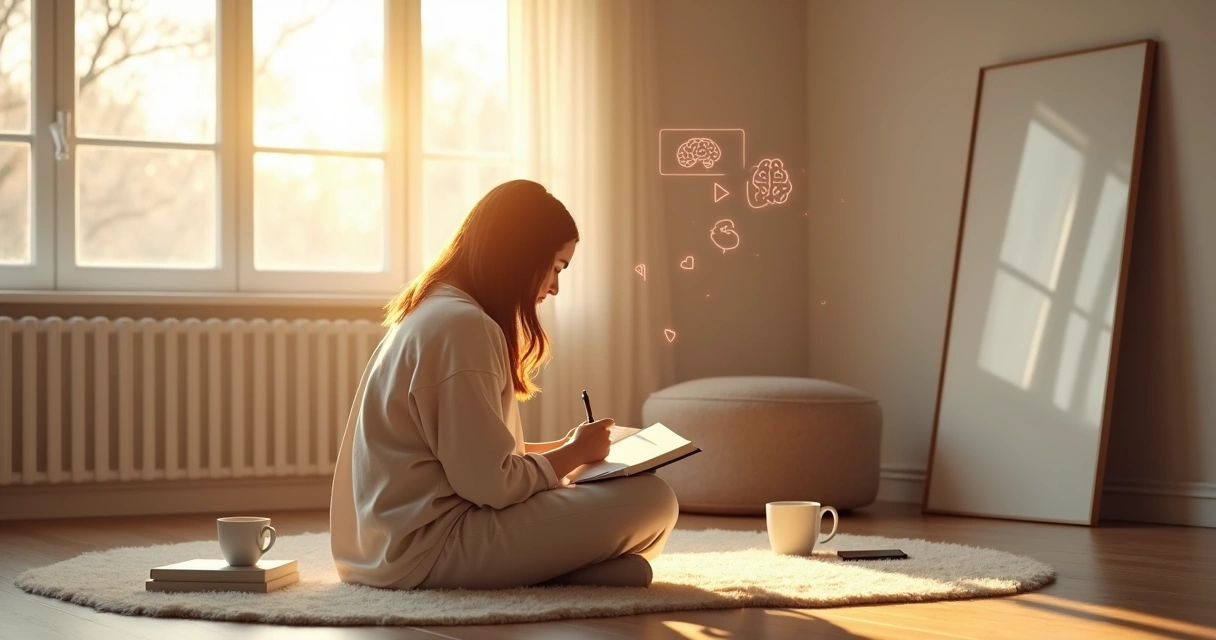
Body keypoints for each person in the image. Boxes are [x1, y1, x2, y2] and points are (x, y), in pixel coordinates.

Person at [330, 179, 679, 590]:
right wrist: (573, 454)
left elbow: (459, 458)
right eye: (556, 268)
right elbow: (492, 485)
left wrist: (566, 448)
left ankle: (571, 575)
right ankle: (563, 573)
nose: (554, 287)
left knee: (637, 509)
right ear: (521, 256)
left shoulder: (434, 312)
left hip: (386, 549)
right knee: (653, 500)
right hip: (428, 549)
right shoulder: (464, 327)